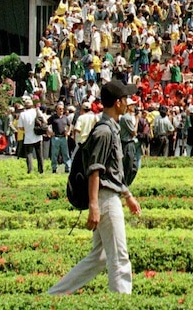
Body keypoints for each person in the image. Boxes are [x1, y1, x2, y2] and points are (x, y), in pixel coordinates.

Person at [49, 79, 142, 295]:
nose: (128, 103)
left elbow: (112, 171)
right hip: (105, 198)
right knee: (119, 258)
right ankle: (122, 302)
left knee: (99, 257)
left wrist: (127, 195)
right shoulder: (104, 131)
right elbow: (95, 170)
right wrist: (94, 205)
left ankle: (54, 295)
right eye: (125, 99)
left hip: (109, 195)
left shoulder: (110, 128)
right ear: (118, 102)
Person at [17, 96, 44, 174]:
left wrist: (27, 129)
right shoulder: (36, 111)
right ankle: (41, 170)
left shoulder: (22, 114)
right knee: (39, 155)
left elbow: (21, 127)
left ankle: (30, 170)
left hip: (28, 137)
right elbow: (43, 120)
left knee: (29, 155)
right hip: (38, 135)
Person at [48, 102, 72, 174]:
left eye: (62, 109)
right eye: (59, 109)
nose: (61, 110)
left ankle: (67, 168)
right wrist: (49, 132)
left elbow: (70, 125)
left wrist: (68, 131)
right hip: (55, 138)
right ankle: (54, 168)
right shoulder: (53, 117)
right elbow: (46, 125)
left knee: (66, 154)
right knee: (54, 154)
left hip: (63, 138)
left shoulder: (65, 117)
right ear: (56, 110)